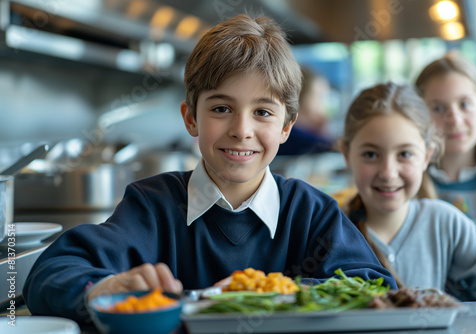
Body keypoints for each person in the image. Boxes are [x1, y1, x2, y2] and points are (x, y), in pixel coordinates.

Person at [23, 14, 396, 323]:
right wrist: (102, 290)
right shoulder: (152, 207)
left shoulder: (310, 211)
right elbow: (47, 276)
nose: (241, 130)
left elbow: (375, 287)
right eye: (221, 108)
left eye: (262, 112)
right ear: (191, 119)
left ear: (286, 127)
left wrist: (285, 296)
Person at [339, 82, 476, 299]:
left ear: (427, 156)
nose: (388, 173)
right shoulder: (328, 230)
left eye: (405, 154)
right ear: (346, 154)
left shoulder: (444, 222)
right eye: (370, 154)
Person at [415, 51, 476, 244]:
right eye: (438, 108)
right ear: (418, 115)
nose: (454, 119)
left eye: (465, 104)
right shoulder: (409, 185)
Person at [277, 67, 336, 155]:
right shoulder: (290, 133)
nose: (324, 103)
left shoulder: (310, 130)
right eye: (319, 96)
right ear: (300, 96)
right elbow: (329, 146)